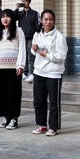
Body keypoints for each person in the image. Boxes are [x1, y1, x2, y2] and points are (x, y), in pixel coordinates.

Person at [30, 9, 68, 137]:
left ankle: (54, 127)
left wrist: (48, 55)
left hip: (53, 73)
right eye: (45, 19)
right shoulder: (37, 34)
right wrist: (34, 49)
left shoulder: (59, 36)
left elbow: (62, 55)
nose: (48, 22)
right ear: (41, 20)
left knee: (53, 102)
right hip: (39, 71)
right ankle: (42, 125)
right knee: (39, 101)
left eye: (50, 19)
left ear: (54, 21)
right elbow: (33, 51)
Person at [0, 9, 26, 130]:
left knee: (14, 93)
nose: (5, 19)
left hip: (14, 68)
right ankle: (6, 117)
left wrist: (20, 65)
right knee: (3, 94)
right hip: (0, 68)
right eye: (3, 16)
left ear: (12, 19)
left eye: (8, 17)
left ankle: (14, 118)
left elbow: (22, 49)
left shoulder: (18, 31)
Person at [15, 0, 40, 83]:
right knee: (23, 55)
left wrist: (36, 35)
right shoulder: (20, 13)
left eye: (25, 1)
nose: (24, 3)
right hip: (21, 37)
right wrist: (17, 9)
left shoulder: (34, 13)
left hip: (31, 37)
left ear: (29, 2)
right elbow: (13, 18)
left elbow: (38, 25)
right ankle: (24, 73)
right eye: (22, 1)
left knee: (31, 55)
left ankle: (32, 73)